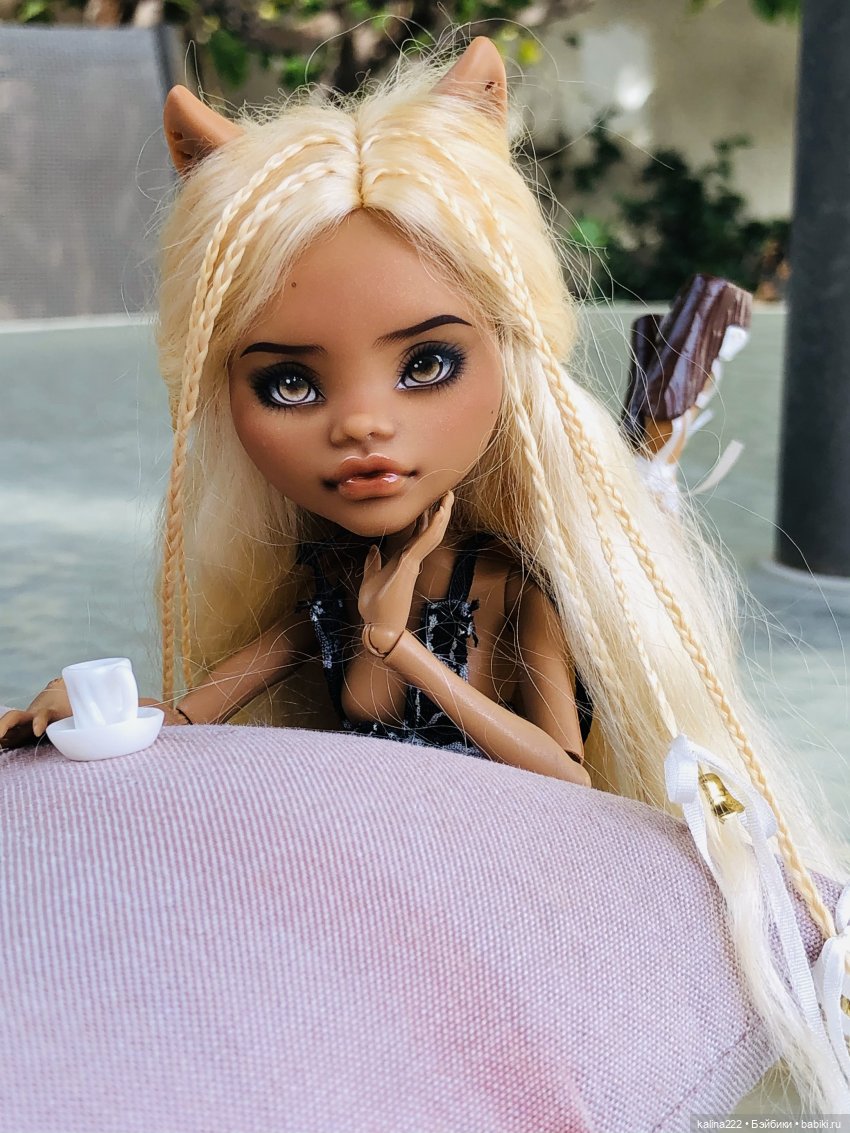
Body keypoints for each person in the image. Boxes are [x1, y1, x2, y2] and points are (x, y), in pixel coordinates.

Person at [1, 35, 848, 1107]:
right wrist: (86, 720)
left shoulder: (511, 588)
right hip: (361, 904)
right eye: (289, 384)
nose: (362, 425)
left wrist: (405, 649)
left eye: (428, 364)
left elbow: (566, 783)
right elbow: (196, 715)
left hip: (515, 904)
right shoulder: (324, 590)